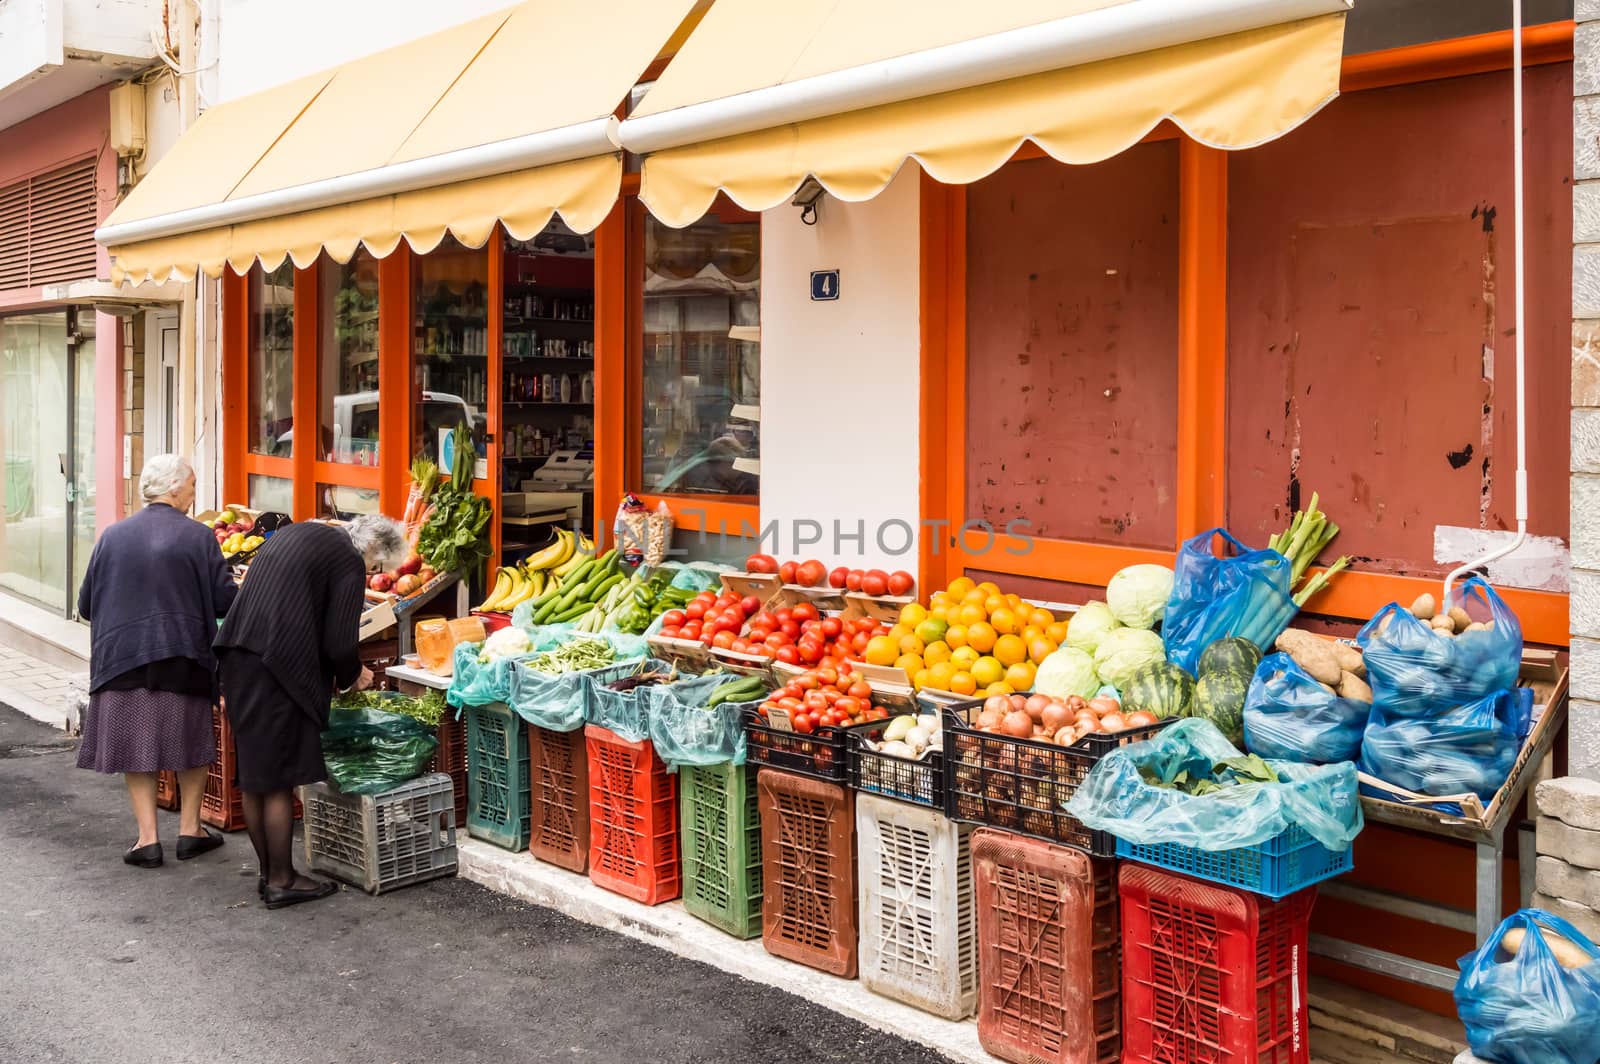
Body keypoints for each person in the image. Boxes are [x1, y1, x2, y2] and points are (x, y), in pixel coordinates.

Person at [214, 514, 406, 909]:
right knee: (281, 778)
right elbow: (339, 641)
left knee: (255, 778)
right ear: (374, 551)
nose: (373, 573)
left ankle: (269, 875)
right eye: (378, 567)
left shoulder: (306, 532)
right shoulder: (348, 561)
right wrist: (355, 675)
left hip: (238, 658)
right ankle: (284, 879)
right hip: (279, 671)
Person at [76, 454, 237, 868]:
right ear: (174, 488)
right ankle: (190, 831)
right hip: (181, 653)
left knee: (136, 747)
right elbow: (224, 600)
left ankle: (147, 839)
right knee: (192, 744)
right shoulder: (198, 537)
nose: (194, 492)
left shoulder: (112, 536)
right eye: (192, 484)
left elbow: (86, 605)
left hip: (121, 659)